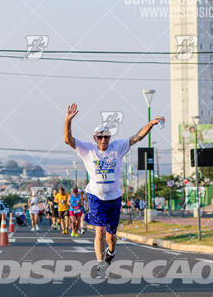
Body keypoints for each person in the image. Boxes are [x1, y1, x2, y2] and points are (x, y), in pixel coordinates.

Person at [64, 103, 165, 277]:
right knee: (100, 230)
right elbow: (68, 140)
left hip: (114, 197)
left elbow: (137, 138)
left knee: (111, 237)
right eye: (100, 137)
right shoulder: (87, 150)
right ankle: (100, 264)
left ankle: (111, 252)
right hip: (95, 195)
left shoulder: (117, 147)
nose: (104, 140)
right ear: (95, 138)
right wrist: (67, 120)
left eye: (107, 137)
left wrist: (150, 124)